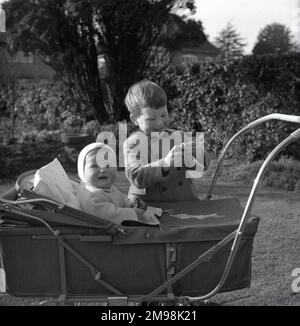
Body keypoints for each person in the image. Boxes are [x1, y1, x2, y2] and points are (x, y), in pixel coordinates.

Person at [123, 79, 211, 202]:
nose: (159, 122)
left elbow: (199, 169)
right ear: (134, 119)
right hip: (150, 208)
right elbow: (136, 177)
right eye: (151, 119)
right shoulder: (133, 143)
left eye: (164, 115)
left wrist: (199, 153)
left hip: (185, 202)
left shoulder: (179, 137)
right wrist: (164, 163)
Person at [77, 142, 158, 225]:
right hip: (103, 235)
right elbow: (107, 214)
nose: (103, 170)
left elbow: (121, 198)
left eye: (108, 165)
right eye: (95, 166)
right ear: (82, 171)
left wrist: (131, 204)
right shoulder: (89, 195)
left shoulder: (110, 189)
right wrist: (133, 212)